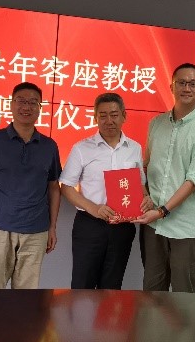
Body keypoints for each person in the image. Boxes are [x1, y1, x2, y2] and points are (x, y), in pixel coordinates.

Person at [134, 63, 195, 293]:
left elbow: (194, 181)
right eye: (181, 83)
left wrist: (162, 210)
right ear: (171, 86)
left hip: (187, 228)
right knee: (152, 295)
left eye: (193, 84)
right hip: (154, 227)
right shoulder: (156, 124)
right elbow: (145, 166)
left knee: (183, 300)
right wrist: (144, 195)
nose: (186, 88)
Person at [0, 82, 61, 289]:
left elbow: (54, 188)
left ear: (40, 107)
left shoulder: (49, 146)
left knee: (27, 295)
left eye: (33, 102)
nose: (26, 107)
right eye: (21, 101)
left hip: (36, 231)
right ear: (11, 105)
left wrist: (52, 228)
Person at [59, 93, 153, 289]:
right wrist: (94, 209)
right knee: (83, 286)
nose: (109, 120)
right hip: (90, 225)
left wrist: (146, 198)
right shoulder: (81, 148)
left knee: (112, 287)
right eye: (103, 115)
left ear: (124, 116)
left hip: (123, 227)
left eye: (114, 115)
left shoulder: (134, 148)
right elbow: (66, 187)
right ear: (95, 118)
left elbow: (139, 184)